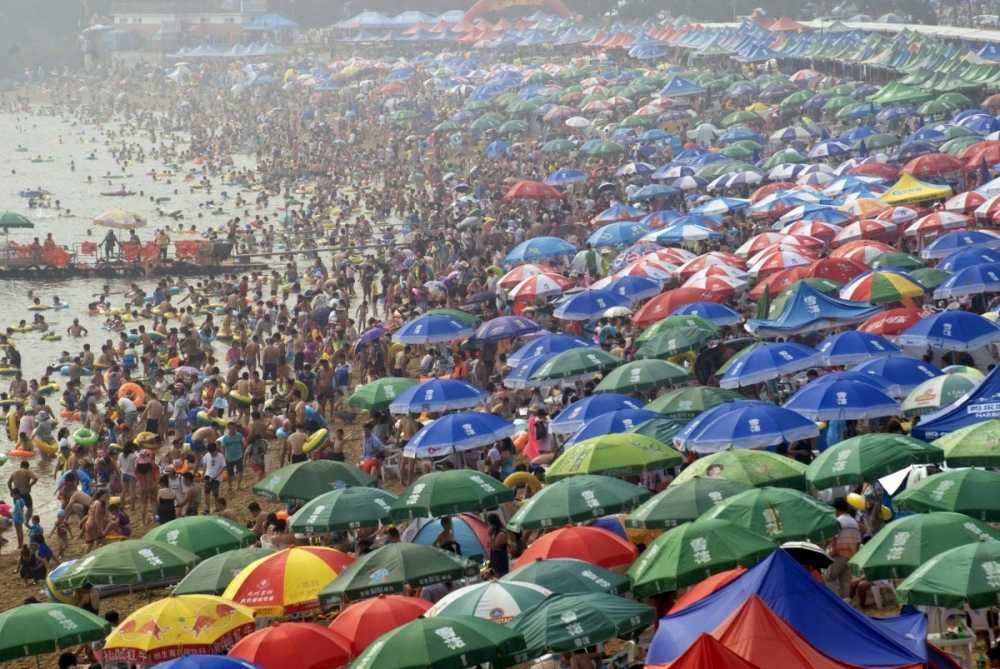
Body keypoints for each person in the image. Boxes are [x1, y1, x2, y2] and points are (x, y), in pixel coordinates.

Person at [826, 498, 861, 599]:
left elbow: (832, 539)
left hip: (839, 554)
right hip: (851, 555)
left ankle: (835, 603)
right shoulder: (854, 522)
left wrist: (832, 551)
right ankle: (847, 604)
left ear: (836, 509)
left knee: (829, 578)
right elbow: (858, 541)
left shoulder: (837, 522)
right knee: (845, 582)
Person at [201, 443, 226, 513]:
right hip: (208, 476)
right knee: (206, 492)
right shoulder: (207, 455)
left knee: (215, 494)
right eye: (210, 452)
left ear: (216, 450)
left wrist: (216, 476)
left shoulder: (220, 456)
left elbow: (223, 467)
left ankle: (217, 508)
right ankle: (207, 508)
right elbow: (204, 465)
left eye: (213, 452)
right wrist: (203, 474)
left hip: (216, 478)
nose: (211, 454)